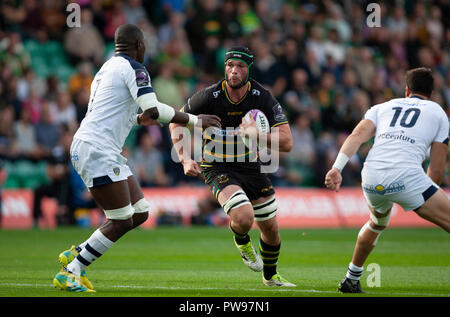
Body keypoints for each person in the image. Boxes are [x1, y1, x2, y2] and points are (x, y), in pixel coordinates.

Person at [53, 24, 221, 293]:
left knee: (140, 212)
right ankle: (71, 271)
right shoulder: (135, 68)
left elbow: (120, 111)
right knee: (120, 219)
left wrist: (139, 119)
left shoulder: (105, 69)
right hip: (97, 149)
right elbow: (153, 110)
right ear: (139, 46)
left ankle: (79, 253)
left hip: (96, 146)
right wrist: (193, 120)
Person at [169, 46, 296, 287]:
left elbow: (287, 142)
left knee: (270, 228)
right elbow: (175, 122)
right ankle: (241, 240)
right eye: (230, 66)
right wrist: (185, 158)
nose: (234, 71)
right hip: (217, 167)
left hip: (251, 167)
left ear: (249, 69)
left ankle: (270, 278)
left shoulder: (263, 97)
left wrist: (257, 135)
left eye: (240, 67)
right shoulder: (208, 96)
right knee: (244, 217)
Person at [324, 67, 450, 293]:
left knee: (376, 223)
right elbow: (437, 168)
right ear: (432, 93)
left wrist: (336, 168)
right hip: (407, 176)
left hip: (372, 176)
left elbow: (357, 136)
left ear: (407, 90)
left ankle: (351, 278)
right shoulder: (438, 112)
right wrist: (426, 198)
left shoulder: (382, 107)